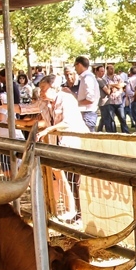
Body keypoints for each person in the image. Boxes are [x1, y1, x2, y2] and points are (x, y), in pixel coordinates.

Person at [38, 74, 90, 222]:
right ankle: (76, 212)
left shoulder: (67, 100)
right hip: (61, 145)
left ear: (53, 87)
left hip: (75, 143)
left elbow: (68, 121)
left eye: (43, 88)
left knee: (77, 179)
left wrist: (48, 130)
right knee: (69, 178)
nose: (41, 92)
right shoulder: (45, 103)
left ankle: (80, 213)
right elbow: (28, 109)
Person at [75, 56, 100, 131]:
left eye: (75, 66)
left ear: (79, 64)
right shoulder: (87, 77)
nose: (75, 69)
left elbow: (90, 99)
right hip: (87, 113)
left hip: (87, 113)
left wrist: (76, 103)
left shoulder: (87, 78)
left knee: (87, 139)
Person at [105, 65, 129, 133]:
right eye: (110, 69)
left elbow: (121, 85)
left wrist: (112, 85)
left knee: (122, 118)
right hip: (110, 101)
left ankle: (126, 132)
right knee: (111, 119)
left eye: (113, 69)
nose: (112, 70)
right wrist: (117, 85)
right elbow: (107, 87)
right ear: (107, 69)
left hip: (119, 101)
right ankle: (114, 133)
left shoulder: (118, 77)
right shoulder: (105, 78)